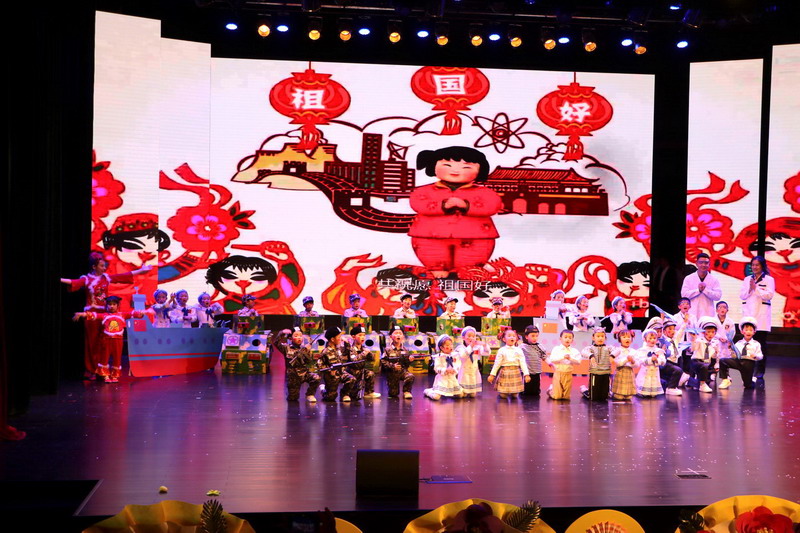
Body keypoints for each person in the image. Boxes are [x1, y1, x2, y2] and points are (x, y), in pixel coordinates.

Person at [409, 146, 503, 278]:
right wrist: (443, 206)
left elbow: (493, 205)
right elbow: (417, 203)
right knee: (432, 252)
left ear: (480, 170)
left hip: (476, 235)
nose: (455, 170)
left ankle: (468, 272)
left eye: (466, 167)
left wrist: (466, 206)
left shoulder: (485, 192)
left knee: (472, 256)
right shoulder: (423, 191)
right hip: (429, 234)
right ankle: (436, 269)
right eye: (447, 165)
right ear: (433, 166)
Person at [61, 251, 151, 379]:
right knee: (92, 342)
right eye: (102, 266)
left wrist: (141, 270)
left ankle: (102, 370)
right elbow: (73, 282)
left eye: (105, 266)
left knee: (104, 343)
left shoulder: (106, 278)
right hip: (91, 314)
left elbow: (122, 276)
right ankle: (91, 370)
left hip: (104, 314)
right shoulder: (86, 279)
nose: (104, 268)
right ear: (94, 267)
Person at [72, 296, 145, 382]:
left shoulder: (122, 315)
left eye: (114, 304)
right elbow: (93, 315)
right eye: (110, 304)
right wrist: (81, 314)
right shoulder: (104, 315)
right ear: (107, 306)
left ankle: (115, 375)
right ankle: (105, 375)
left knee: (117, 358)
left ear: (117, 305)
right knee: (104, 357)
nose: (112, 306)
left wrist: (143, 313)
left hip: (118, 340)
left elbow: (134, 313)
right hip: (106, 340)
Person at [739, 255, 774, 380]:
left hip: (762, 316)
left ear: (762, 266)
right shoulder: (747, 279)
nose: (754, 267)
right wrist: (750, 289)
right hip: (749, 314)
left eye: (757, 265)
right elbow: (742, 295)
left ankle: (760, 370)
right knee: (749, 342)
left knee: (761, 343)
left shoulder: (769, 279)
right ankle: (749, 368)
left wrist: (756, 289)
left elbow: (769, 295)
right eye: (753, 265)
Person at [272, 327, 320, 402]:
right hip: (293, 377)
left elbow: (309, 362)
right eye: (296, 336)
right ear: (290, 338)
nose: (299, 338)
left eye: (300, 336)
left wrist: (306, 352)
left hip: (304, 373)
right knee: (293, 398)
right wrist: (282, 333)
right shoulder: (286, 348)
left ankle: (310, 394)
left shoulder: (305, 348)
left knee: (316, 378)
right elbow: (276, 343)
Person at [719, 317, 763, 390]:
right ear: (742, 332)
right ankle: (726, 379)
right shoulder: (739, 343)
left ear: (754, 332)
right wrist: (731, 349)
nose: (748, 332)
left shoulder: (756, 344)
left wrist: (755, 356)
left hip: (749, 363)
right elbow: (734, 355)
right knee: (723, 361)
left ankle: (751, 380)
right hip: (739, 362)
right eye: (746, 330)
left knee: (748, 385)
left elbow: (760, 356)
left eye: (751, 330)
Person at [488, 328, 530, 399]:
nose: (512, 337)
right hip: (505, 372)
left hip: (515, 372)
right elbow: (497, 363)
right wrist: (492, 375)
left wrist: (526, 374)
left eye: (514, 336)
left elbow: (523, 363)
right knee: (504, 396)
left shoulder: (518, 350)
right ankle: (503, 392)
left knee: (515, 395)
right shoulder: (502, 350)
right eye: (509, 336)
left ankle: (513, 392)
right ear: (504, 339)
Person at [317, 327, 356, 402]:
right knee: (331, 397)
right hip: (332, 376)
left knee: (351, 379)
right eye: (339, 337)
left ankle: (344, 394)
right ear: (332, 339)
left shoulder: (339, 349)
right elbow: (319, 365)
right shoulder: (325, 351)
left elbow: (348, 353)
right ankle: (323, 390)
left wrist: (347, 343)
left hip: (341, 372)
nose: (341, 339)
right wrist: (329, 370)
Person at [681, 253, 722, 321]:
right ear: (696, 263)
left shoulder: (714, 279)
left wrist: (705, 290)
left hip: (708, 313)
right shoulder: (688, 278)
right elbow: (684, 295)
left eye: (706, 263)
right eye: (701, 262)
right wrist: (698, 290)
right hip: (692, 312)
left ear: (709, 264)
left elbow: (718, 296)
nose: (703, 265)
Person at [343, 326, 381, 400]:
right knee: (352, 394)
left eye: (364, 335)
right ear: (353, 337)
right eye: (360, 335)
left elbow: (372, 359)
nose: (362, 337)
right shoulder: (350, 348)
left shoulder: (363, 348)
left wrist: (369, 353)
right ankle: (345, 394)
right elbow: (354, 360)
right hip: (351, 372)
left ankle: (368, 392)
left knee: (370, 373)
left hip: (361, 371)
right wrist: (364, 353)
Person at [424, 335, 464, 400]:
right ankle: (428, 392)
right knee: (436, 397)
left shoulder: (455, 355)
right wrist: (445, 370)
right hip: (442, 379)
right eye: (447, 345)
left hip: (452, 378)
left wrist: (454, 369)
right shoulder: (439, 357)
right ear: (441, 348)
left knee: (460, 395)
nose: (450, 347)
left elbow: (458, 364)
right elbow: (436, 368)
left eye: (451, 344)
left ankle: (450, 391)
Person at [381, 325, 415, 399]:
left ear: (403, 336)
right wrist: (392, 366)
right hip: (392, 373)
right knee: (393, 394)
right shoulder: (387, 349)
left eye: (400, 333)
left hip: (402, 371)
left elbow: (406, 365)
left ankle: (406, 391)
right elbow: (383, 361)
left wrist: (409, 360)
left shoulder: (405, 350)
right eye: (396, 333)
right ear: (391, 336)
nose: (398, 335)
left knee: (410, 376)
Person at [546, 330, 581, 400]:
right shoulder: (556, 349)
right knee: (557, 397)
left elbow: (578, 362)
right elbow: (552, 360)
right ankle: (551, 390)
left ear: (572, 340)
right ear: (560, 338)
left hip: (568, 374)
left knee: (566, 397)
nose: (567, 339)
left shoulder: (574, 351)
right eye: (565, 337)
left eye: (570, 338)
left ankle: (557, 390)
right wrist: (563, 357)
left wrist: (570, 359)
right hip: (558, 373)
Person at [580, 328, 613, 401]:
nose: (600, 338)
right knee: (593, 396)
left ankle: (608, 391)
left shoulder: (608, 348)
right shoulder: (591, 348)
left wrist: (612, 356)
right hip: (595, 372)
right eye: (598, 336)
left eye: (602, 336)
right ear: (593, 337)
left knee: (604, 396)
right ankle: (584, 390)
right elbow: (583, 352)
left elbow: (617, 351)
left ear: (605, 338)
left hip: (605, 372)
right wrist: (591, 356)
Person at [691, 317, 720, 393]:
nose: (710, 334)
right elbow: (693, 349)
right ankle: (702, 384)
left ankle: (694, 381)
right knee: (704, 366)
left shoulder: (715, 343)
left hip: (707, 363)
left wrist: (716, 353)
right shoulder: (699, 340)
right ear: (703, 332)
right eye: (708, 332)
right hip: (696, 362)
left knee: (707, 379)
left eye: (713, 332)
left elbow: (714, 357)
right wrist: (693, 340)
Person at [455, 326, 485, 397]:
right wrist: (471, 346)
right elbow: (463, 355)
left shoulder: (477, 347)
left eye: (473, 336)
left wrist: (484, 345)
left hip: (473, 370)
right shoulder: (460, 348)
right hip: (464, 371)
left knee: (473, 395)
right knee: (462, 395)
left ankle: (471, 390)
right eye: (469, 336)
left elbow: (486, 353)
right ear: (463, 337)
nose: (471, 338)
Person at [635, 328, 666, 397]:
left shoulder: (659, 351)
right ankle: (643, 392)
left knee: (653, 390)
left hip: (655, 371)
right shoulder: (642, 350)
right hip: (645, 372)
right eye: (650, 338)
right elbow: (641, 360)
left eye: (654, 338)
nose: (652, 340)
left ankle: (653, 392)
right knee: (645, 383)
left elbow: (663, 361)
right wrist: (650, 359)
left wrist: (657, 360)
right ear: (645, 339)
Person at [658, 319, 686, 396]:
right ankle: (671, 388)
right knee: (678, 370)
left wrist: (685, 322)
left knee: (679, 367)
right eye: (670, 329)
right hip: (666, 362)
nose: (672, 331)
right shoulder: (663, 340)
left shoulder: (674, 340)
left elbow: (681, 332)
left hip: (674, 362)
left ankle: (673, 386)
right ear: (664, 331)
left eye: (673, 329)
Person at [611, 329, 637, 401]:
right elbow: (617, 363)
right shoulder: (617, 350)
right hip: (620, 371)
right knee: (619, 394)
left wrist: (632, 361)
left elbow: (637, 364)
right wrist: (626, 360)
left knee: (629, 396)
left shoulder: (633, 351)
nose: (627, 339)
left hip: (629, 371)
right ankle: (618, 393)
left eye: (629, 337)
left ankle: (628, 393)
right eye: (624, 337)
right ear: (620, 339)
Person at [520, 325, 546, 397]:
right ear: (526, 336)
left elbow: (544, 356)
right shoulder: (522, 346)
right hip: (527, 372)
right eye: (533, 336)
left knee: (535, 391)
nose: (535, 338)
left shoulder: (539, 346)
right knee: (526, 391)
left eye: (536, 336)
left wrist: (550, 364)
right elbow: (517, 356)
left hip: (537, 371)